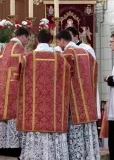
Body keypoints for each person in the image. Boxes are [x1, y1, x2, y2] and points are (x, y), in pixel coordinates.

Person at [17, 29, 71, 160]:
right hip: (53, 107)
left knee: (36, 126)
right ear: (51, 40)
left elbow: (18, 77)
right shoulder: (60, 59)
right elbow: (68, 77)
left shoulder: (27, 58)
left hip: (35, 106)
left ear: (36, 40)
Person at [58, 30, 100, 160]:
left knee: (74, 130)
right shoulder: (87, 53)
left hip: (73, 100)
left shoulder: (68, 53)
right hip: (86, 99)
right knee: (85, 129)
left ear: (62, 40)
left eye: (59, 42)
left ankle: (77, 155)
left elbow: (61, 77)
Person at [0, 27, 30, 156]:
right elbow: (28, 63)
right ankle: (14, 148)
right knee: (14, 113)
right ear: (23, 36)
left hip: (4, 86)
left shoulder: (4, 49)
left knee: (5, 114)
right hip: (15, 86)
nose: (27, 41)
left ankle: (3, 146)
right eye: (27, 38)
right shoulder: (19, 49)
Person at [66, 26, 101, 119]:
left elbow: (92, 66)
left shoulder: (86, 48)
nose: (68, 40)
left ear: (76, 36)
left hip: (85, 82)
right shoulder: (67, 50)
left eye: (70, 36)